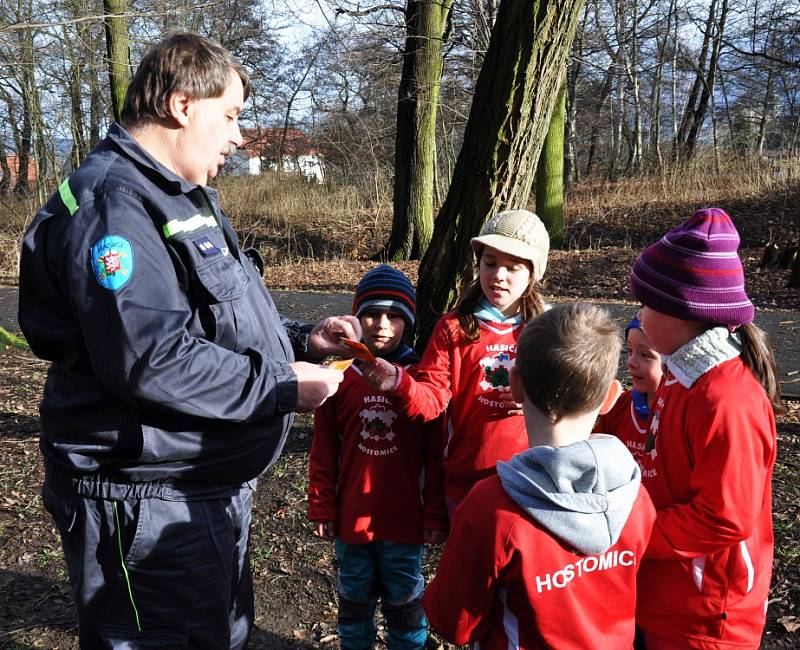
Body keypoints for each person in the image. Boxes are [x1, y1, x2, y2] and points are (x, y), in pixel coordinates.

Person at [18, 32, 359, 650]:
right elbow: (151, 357)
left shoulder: (177, 196)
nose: (238, 137)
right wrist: (282, 385)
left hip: (196, 493)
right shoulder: (113, 208)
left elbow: (211, 322)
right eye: (229, 116)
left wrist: (306, 341)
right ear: (182, 106)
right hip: (144, 503)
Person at [422, 303, 656, 649]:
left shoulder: (491, 510)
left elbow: (453, 622)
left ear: (515, 384)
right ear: (610, 397)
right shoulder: (635, 496)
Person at [629, 207, 782, 649]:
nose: (639, 314)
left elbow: (723, 517)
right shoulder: (681, 375)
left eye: (646, 304)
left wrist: (632, 534)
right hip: (666, 594)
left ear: (683, 312)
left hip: (705, 618)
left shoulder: (726, 401)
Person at [363, 210, 550, 513]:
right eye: (490, 264)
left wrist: (541, 401)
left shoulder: (549, 330)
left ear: (533, 273)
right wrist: (399, 383)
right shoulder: (453, 328)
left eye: (512, 267)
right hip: (467, 481)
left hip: (530, 479)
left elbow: (571, 402)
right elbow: (432, 399)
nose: (498, 276)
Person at [307, 265, 448, 650]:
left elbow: (435, 457)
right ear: (357, 317)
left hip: (405, 522)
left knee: (405, 603)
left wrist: (435, 513)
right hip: (353, 521)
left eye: (394, 316)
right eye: (372, 314)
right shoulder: (338, 378)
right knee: (354, 600)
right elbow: (324, 448)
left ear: (409, 321)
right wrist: (322, 505)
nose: (382, 325)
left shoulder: (422, 380)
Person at [595, 315, 663, 469]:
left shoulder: (679, 412)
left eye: (645, 355)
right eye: (629, 351)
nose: (631, 362)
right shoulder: (619, 406)